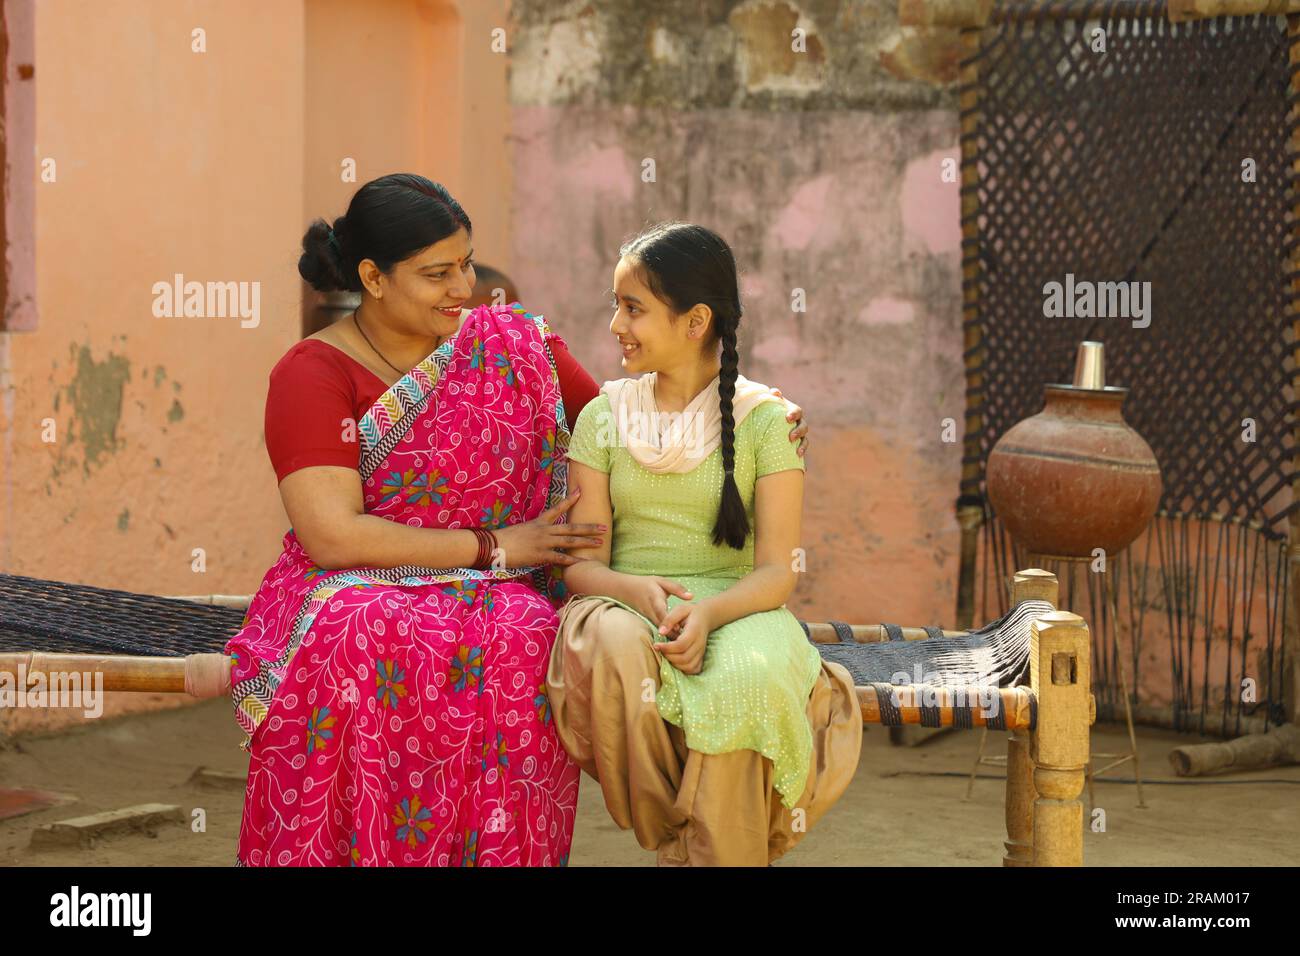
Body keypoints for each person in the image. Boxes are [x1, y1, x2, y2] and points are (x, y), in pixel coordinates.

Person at [226, 174, 811, 866]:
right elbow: (332, 536)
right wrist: (495, 545)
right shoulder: (313, 373)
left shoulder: (510, 346)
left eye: (467, 264)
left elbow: (630, 419)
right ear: (372, 278)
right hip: (356, 583)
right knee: (366, 630)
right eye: (437, 273)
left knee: (531, 635)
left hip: (503, 590)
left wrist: (739, 405)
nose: (463, 288)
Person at [546, 222, 862, 867]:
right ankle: (681, 839)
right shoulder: (603, 418)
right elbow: (584, 567)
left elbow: (776, 572)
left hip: (738, 605)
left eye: (632, 308)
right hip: (619, 598)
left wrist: (710, 614)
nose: (614, 325)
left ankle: (714, 855)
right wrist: (637, 591)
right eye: (616, 305)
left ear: (695, 322)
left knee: (743, 678)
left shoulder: (766, 422)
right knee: (615, 650)